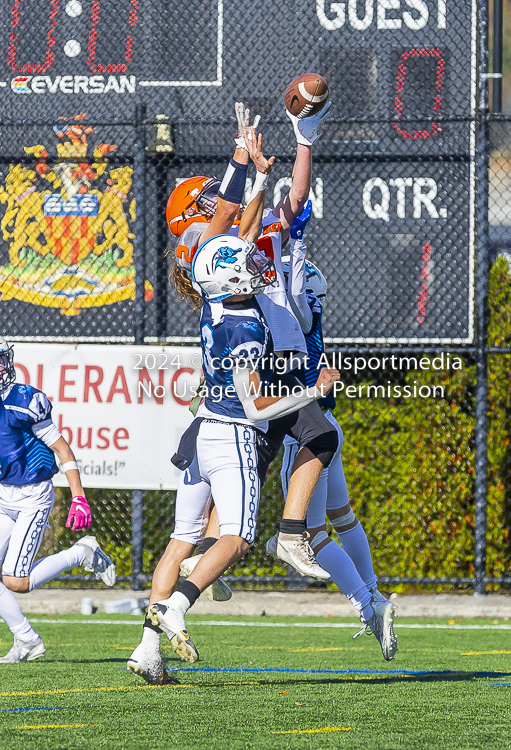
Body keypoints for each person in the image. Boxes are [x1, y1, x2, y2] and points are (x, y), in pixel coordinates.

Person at [128, 223, 339, 684]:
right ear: (230, 279)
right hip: (234, 432)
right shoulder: (245, 326)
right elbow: (256, 405)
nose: (257, 267)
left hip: (205, 425)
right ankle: (177, 607)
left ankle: (147, 648)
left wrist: (256, 180)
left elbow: (227, 251)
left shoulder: (214, 303)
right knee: (238, 537)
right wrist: (311, 392)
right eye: (246, 266)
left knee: (184, 538)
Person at [168, 102, 339, 579]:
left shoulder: (249, 229)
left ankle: (211, 559)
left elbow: (296, 198)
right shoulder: (199, 244)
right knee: (288, 443)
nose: (213, 200)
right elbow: (225, 213)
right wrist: (242, 161)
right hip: (250, 359)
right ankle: (281, 535)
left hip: (273, 354)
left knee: (261, 459)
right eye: (200, 200)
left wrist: (303, 138)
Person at [277, 205, 398, 660]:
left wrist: (298, 239)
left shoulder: (298, 316)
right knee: (344, 518)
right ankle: (374, 592)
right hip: (327, 423)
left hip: (307, 431)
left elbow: (289, 291)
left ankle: (369, 607)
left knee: (312, 537)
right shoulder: (310, 315)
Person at [0, 337, 115, 663]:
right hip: (4, 494)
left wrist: (78, 497)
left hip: (32, 496)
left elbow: (63, 450)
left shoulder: (23, 401)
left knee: (16, 582)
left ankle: (82, 553)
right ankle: (26, 640)